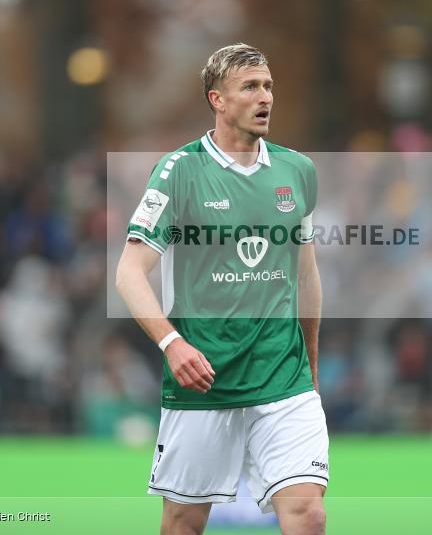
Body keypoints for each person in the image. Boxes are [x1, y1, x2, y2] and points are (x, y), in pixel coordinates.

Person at [116, 43, 328, 535]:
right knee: (184, 523)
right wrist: (172, 344)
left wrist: (311, 355)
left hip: (283, 375)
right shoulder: (179, 171)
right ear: (217, 99)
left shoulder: (298, 171)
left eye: (269, 86)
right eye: (250, 87)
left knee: (308, 514)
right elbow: (129, 272)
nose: (265, 97)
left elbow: (306, 274)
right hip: (205, 378)